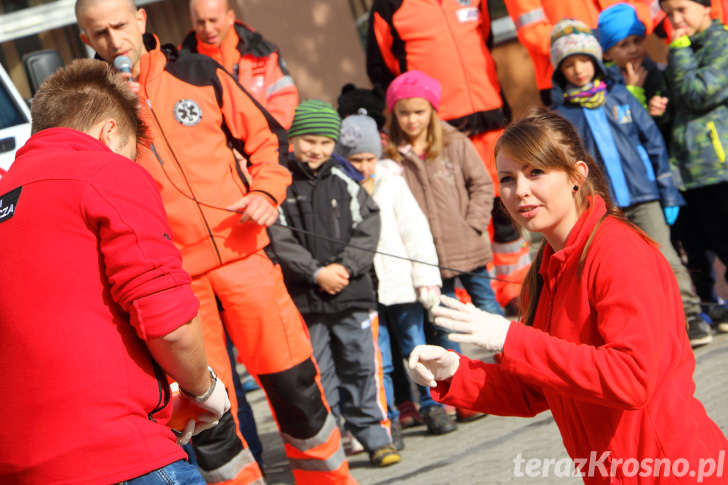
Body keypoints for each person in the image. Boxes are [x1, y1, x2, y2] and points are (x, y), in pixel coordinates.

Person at [74, 1, 352, 484]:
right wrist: (118, 109)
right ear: (85, 41)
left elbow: (268, 139)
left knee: (296, 388)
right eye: (99, 34)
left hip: (243, 255)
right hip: (171, 281)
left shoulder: (200, 71)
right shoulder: (91, 108)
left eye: (120, 26)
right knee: (209, 417)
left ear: (141, 20)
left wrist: (266, 192)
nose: (114, 41)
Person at [409, 109, 728, 484]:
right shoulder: (547, 267)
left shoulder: (618, 251)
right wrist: (456, 373)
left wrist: (511, 338)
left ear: (577, 175)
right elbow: (537, 388)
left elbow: (632, 379)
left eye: (536, 172)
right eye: (508, 179)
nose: (520, 191)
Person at [0, 58, 230, 484]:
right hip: (123, 457)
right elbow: (170, 324)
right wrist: (206, 390)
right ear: (109, 132)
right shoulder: (105, 171)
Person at [548, 18, 713, 346]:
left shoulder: (621, 97)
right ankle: (644, 323)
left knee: (664, 255)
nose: (579, 69)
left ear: (596, 61)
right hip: (602, 206)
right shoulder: (562, 115)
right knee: (620, 268)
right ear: (559, 71)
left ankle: (690, 314)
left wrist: (667, 192)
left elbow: (652, 143)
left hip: (643, 196)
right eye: (569, 64)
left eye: (584, 60)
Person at [366, 0, 531, 313]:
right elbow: (382, 69)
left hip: (490, 117)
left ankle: (515, 284)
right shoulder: (389, 6)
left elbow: (485, 39)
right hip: (439, 133)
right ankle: (469, 299)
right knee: (455, 214)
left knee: (502, 206)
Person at [268, 99, 400, 468]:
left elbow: (368, 226)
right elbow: (278, 236)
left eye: (326, 142)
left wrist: (345, 267)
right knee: (319, 375)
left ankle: (375, 437)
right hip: (306, 300)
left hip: (352, 294)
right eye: (309, 140)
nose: (318, 150)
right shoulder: (280, 182)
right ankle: (333, 444)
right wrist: (315, 272)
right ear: (293, 139)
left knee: (362, 367)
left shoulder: (346, 179)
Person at [384, 70, 501, 424]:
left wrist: (473, 225)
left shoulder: (454, 143)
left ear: (432, 111)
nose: (412, 120)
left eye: (419, 112)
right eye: (404, 113)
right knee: (445, 326)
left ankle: (518, 367)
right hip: (430, 261)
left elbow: (481, 185)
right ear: (394, 115)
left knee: (487, 307)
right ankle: (465, 394)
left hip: (468, 248)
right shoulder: (392, 157)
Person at [334, 110, 457, 443]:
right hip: (366, 292)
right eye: (355, 159)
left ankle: (432, 403)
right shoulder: (339, 190)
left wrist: (426, 279)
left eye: (369, 158)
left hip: (403, 286)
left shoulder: (392, 182)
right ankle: (388, 418)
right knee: (380, 360)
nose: (363, 166)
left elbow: (415, 232)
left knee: (417, 348)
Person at [651, 0, 728, 334]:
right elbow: (678, 106)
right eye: (669, 14)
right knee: (698, 242)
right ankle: (711, 307)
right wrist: (659, 107)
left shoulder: (720, 42)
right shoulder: (680, 50)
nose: (675, 20)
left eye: (682, 9)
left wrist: (679, 52)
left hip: (718, 166)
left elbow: (699, 93)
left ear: (706, 7)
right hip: (687, 170)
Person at [503, 0, 655, 106]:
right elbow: (531, 30)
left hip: (630, 64)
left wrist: (631, 31)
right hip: (570, 78)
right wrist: (587, 41)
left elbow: (642, 5)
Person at [181, 0, 298, 129]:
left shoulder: (264, 52)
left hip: (268, 144)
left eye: (213, 20)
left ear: (230, 17)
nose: (208, 29)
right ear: (192, 21)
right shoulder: (180, 66)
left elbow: (284, 103)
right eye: (201, 22)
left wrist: (262, 142)